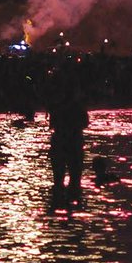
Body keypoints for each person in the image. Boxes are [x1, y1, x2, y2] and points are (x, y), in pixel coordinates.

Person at [47, 68, 89, 203]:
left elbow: (52, 124)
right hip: (74, 143)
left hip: (60, 142)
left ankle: (58, 202)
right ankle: (73, 202)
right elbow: (85, 123)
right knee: (75, 181)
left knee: (58, 181)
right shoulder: (77, 107)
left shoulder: (57, 106)